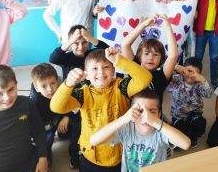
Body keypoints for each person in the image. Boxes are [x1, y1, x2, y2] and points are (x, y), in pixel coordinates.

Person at [50, 47, 152, 172]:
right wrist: (68, 84)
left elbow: (145, 78)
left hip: (122, 153)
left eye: (106, 67)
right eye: (94, 68)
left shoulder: (121, 87)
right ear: (86, 74)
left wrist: (119, 60)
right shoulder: (83, 93)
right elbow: (56, 107)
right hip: (91, 156)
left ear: (114, 70)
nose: (101, 73)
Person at [48, 24, 108, 168]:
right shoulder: (66, 58)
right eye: (76, 43)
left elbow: (106, 50)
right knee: (75, 135)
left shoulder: (91, 55)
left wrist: (91, 38)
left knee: (89, 129)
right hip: (74, 103)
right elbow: (53, 57)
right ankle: (75, 158)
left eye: (84, 42)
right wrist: (70, 41)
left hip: (91, 100)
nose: (80, 46)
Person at [0, 65, 48, 172]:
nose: (7, 97)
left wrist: (43, 158)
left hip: (29, 159)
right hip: (1, 168)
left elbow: (39, 131)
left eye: (11, 89)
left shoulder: (27, 103)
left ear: (16, 85)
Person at [90, 89, 191, 172]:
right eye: (140, 111)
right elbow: (94, 140)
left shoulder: (161, 131)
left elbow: (186, 144)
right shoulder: (127, 129)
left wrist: (155, 122)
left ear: (159, 114)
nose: (146, 116)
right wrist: (123, 119)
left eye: (152, 112)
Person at [121, 14, 178, 104]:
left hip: (154, 115)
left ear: (161, 59)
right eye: (146, 54)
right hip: (133, 115)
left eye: (156, 55)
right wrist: (143, 25)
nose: (151, 58)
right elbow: (124, 45)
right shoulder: (135, 67)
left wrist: (168, 27)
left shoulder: (162, 75)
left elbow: (173, 56)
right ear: (139, 56)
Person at [167, 57, 213, 148]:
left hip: (194, 114)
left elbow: (208, 94)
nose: (190, 75)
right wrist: (175, 66)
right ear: (182, 70)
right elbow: (165, 75)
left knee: (199, 124)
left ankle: (194, 137)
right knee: (179, 129)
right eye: (188, 71)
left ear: (199, 75)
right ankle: (180, 135)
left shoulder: (199, 84)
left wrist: (203, 80)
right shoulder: (177, 79)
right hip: (178, 115)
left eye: (195, 73)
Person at [30, 63, 67, 167]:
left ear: (57, 82)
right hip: (45, 125)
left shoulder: (62, 89)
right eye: (44, 86)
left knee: (65, 134)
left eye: (52, 83)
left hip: (58, 117)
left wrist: (66, 117)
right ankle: (47, 161)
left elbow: (71, 103)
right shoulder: (34, 102)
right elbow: (36, 125)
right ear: (37, 88)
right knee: (46, 144)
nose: (50, 89)